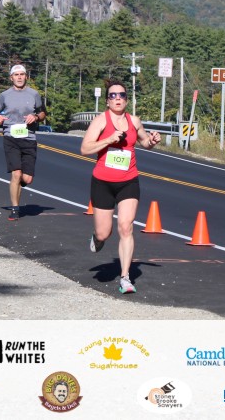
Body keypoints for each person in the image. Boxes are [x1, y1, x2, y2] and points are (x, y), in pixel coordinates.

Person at [80, 79, 161, 294]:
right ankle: (97, 238)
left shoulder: (134, 121)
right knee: (103, 233)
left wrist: (152, 141)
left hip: (128, 181)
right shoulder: (100, 121)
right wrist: (108, 140)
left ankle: (125, 277)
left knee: (126, 227)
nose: (118, 99)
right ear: (107, 101)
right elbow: (85, 148)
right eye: (113, 96)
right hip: (103, 182)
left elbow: (145, 142)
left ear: (126, 100)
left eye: (122, 95)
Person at [0, 64, 46, 221]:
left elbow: (42, 113)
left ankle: (19, 185)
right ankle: (15, 208)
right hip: (10, 137)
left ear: (26, 77)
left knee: (27, 179)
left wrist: (36, 117)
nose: (19, 77)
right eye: (16, 75)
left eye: (22, 74)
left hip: (29, 138)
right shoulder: (4, 95)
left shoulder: (34, 94)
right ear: (11, 78)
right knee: (16, 173)